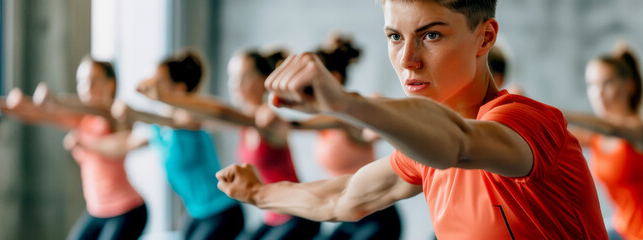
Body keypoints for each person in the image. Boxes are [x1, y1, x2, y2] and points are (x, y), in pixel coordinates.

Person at [216, 1, 607, 239]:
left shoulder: (528, 122)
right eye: (395, 37)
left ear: (485, 37)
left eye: (431, 36)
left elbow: (459, 144)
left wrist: (346, 104)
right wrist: (257, 194)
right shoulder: (423, 151)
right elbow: (343, 197)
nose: (407, 60)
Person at [143, 49, 321, 240]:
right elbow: (202, 116)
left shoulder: (268, 120)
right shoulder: (243, 122)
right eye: (233, 77)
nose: (236, 85)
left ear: (263, 81)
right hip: (272, 217)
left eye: (244, 77)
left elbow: (220, 112)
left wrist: (168, 96)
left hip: (298, 214)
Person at [0, 57, 147, 240]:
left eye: (93, 81)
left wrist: (86, 144)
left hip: (127, 210)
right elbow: (40, 114)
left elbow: (123, 144)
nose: (86, 88)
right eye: (82, 82)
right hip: (97, 209)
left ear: (111, 84)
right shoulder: (82, 119)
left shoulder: (117, 116)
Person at [79, 50, 246, 240]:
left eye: (159, 82)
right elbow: (124, 144)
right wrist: (88, 145)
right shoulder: (158, 128)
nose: (152, 86)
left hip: (222, 212)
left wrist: (137, 114)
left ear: (179, 89)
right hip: (196, 213)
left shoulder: (190, 118)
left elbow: (176, 120)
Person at [565, 44, 643, 240]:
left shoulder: (640, 131)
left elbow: (612, 128)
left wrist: (554, 111)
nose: (598, 93)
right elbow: (552, 132)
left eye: (607, 83)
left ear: (628, 85)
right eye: (592, 85)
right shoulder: (595, 136)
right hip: (622, 228)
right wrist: (522, 105)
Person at [304, 33, 402, 240]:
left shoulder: (350, 117)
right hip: (349, 218)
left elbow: (347, 123)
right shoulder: (321, 121)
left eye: (309, 82)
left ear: (335, 79)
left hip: (378, 218)